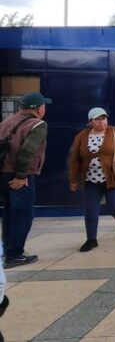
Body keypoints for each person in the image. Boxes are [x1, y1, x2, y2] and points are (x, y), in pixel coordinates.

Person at [69, 108, 115, 253]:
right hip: (91, 180)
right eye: (98, 119)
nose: (102, 122)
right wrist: (73, 179)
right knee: (91, 209)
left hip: (113, 178)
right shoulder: (82, 136)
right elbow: (75, 160)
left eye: (104, 118)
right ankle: (91, 239)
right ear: (90, 121)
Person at [0, 91, 51, 269]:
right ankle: (15, 254)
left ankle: (8, 250)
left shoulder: (6, 122)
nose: (45, 108)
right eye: (43, 105)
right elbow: (28, 151)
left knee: (9, 215)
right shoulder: (38, 124)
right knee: (23, 216)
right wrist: (21, 176)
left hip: (3, 175)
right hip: (20, 177)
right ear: (38, 108)